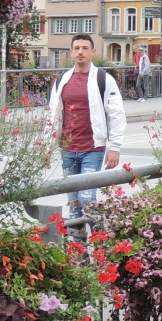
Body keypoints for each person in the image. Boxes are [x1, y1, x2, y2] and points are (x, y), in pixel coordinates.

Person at [47, 33, 126, 221]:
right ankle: (78, 240)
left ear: (93, 52)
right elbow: (52, 114)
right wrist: (47, 146)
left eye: (85, 48)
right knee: (74, 201)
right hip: (68, 149)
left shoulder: (103, 79)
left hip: (92, 149)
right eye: (76, 48)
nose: (80, 52)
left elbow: (116, 114)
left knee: (87, 198)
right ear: (71, 52)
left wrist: (114, 147)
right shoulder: (62, 80)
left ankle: (99, 235)